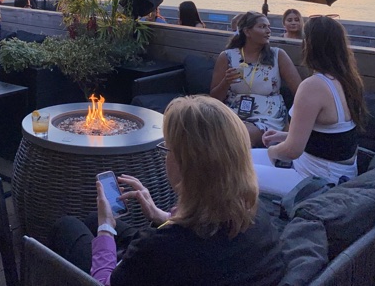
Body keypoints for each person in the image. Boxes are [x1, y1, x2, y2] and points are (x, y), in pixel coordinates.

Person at [49, 95, 284, 286]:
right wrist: (161, 216)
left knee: (67, 226)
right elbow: (204, 230)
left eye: (168, 149)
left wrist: (106, 228)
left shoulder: (159, 248)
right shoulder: (259, 214)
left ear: (187, 164)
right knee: (92, 218)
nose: (165, 157)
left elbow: (105, 282)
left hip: (164, 265)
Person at [251, 16, 369, 195]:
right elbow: (332, 135)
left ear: (310, 46)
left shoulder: (313, 86)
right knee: (237, 157)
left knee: (230, 170)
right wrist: (285, 135)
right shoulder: (347, 80)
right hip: (337, 172)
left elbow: (291, 151)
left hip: (315, 180)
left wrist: (272, 151)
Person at [210, 11, 302, 147]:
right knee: (208, 133)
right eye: (262, 27)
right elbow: (214, 99)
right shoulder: (227, 57)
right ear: (247, 31)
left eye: (268, 27)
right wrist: (226, 82)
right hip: (233, 114)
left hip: (267, 116)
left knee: (240, 135)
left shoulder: (277, 56)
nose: (268, 31)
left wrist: (296, 123)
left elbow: (300, 92)